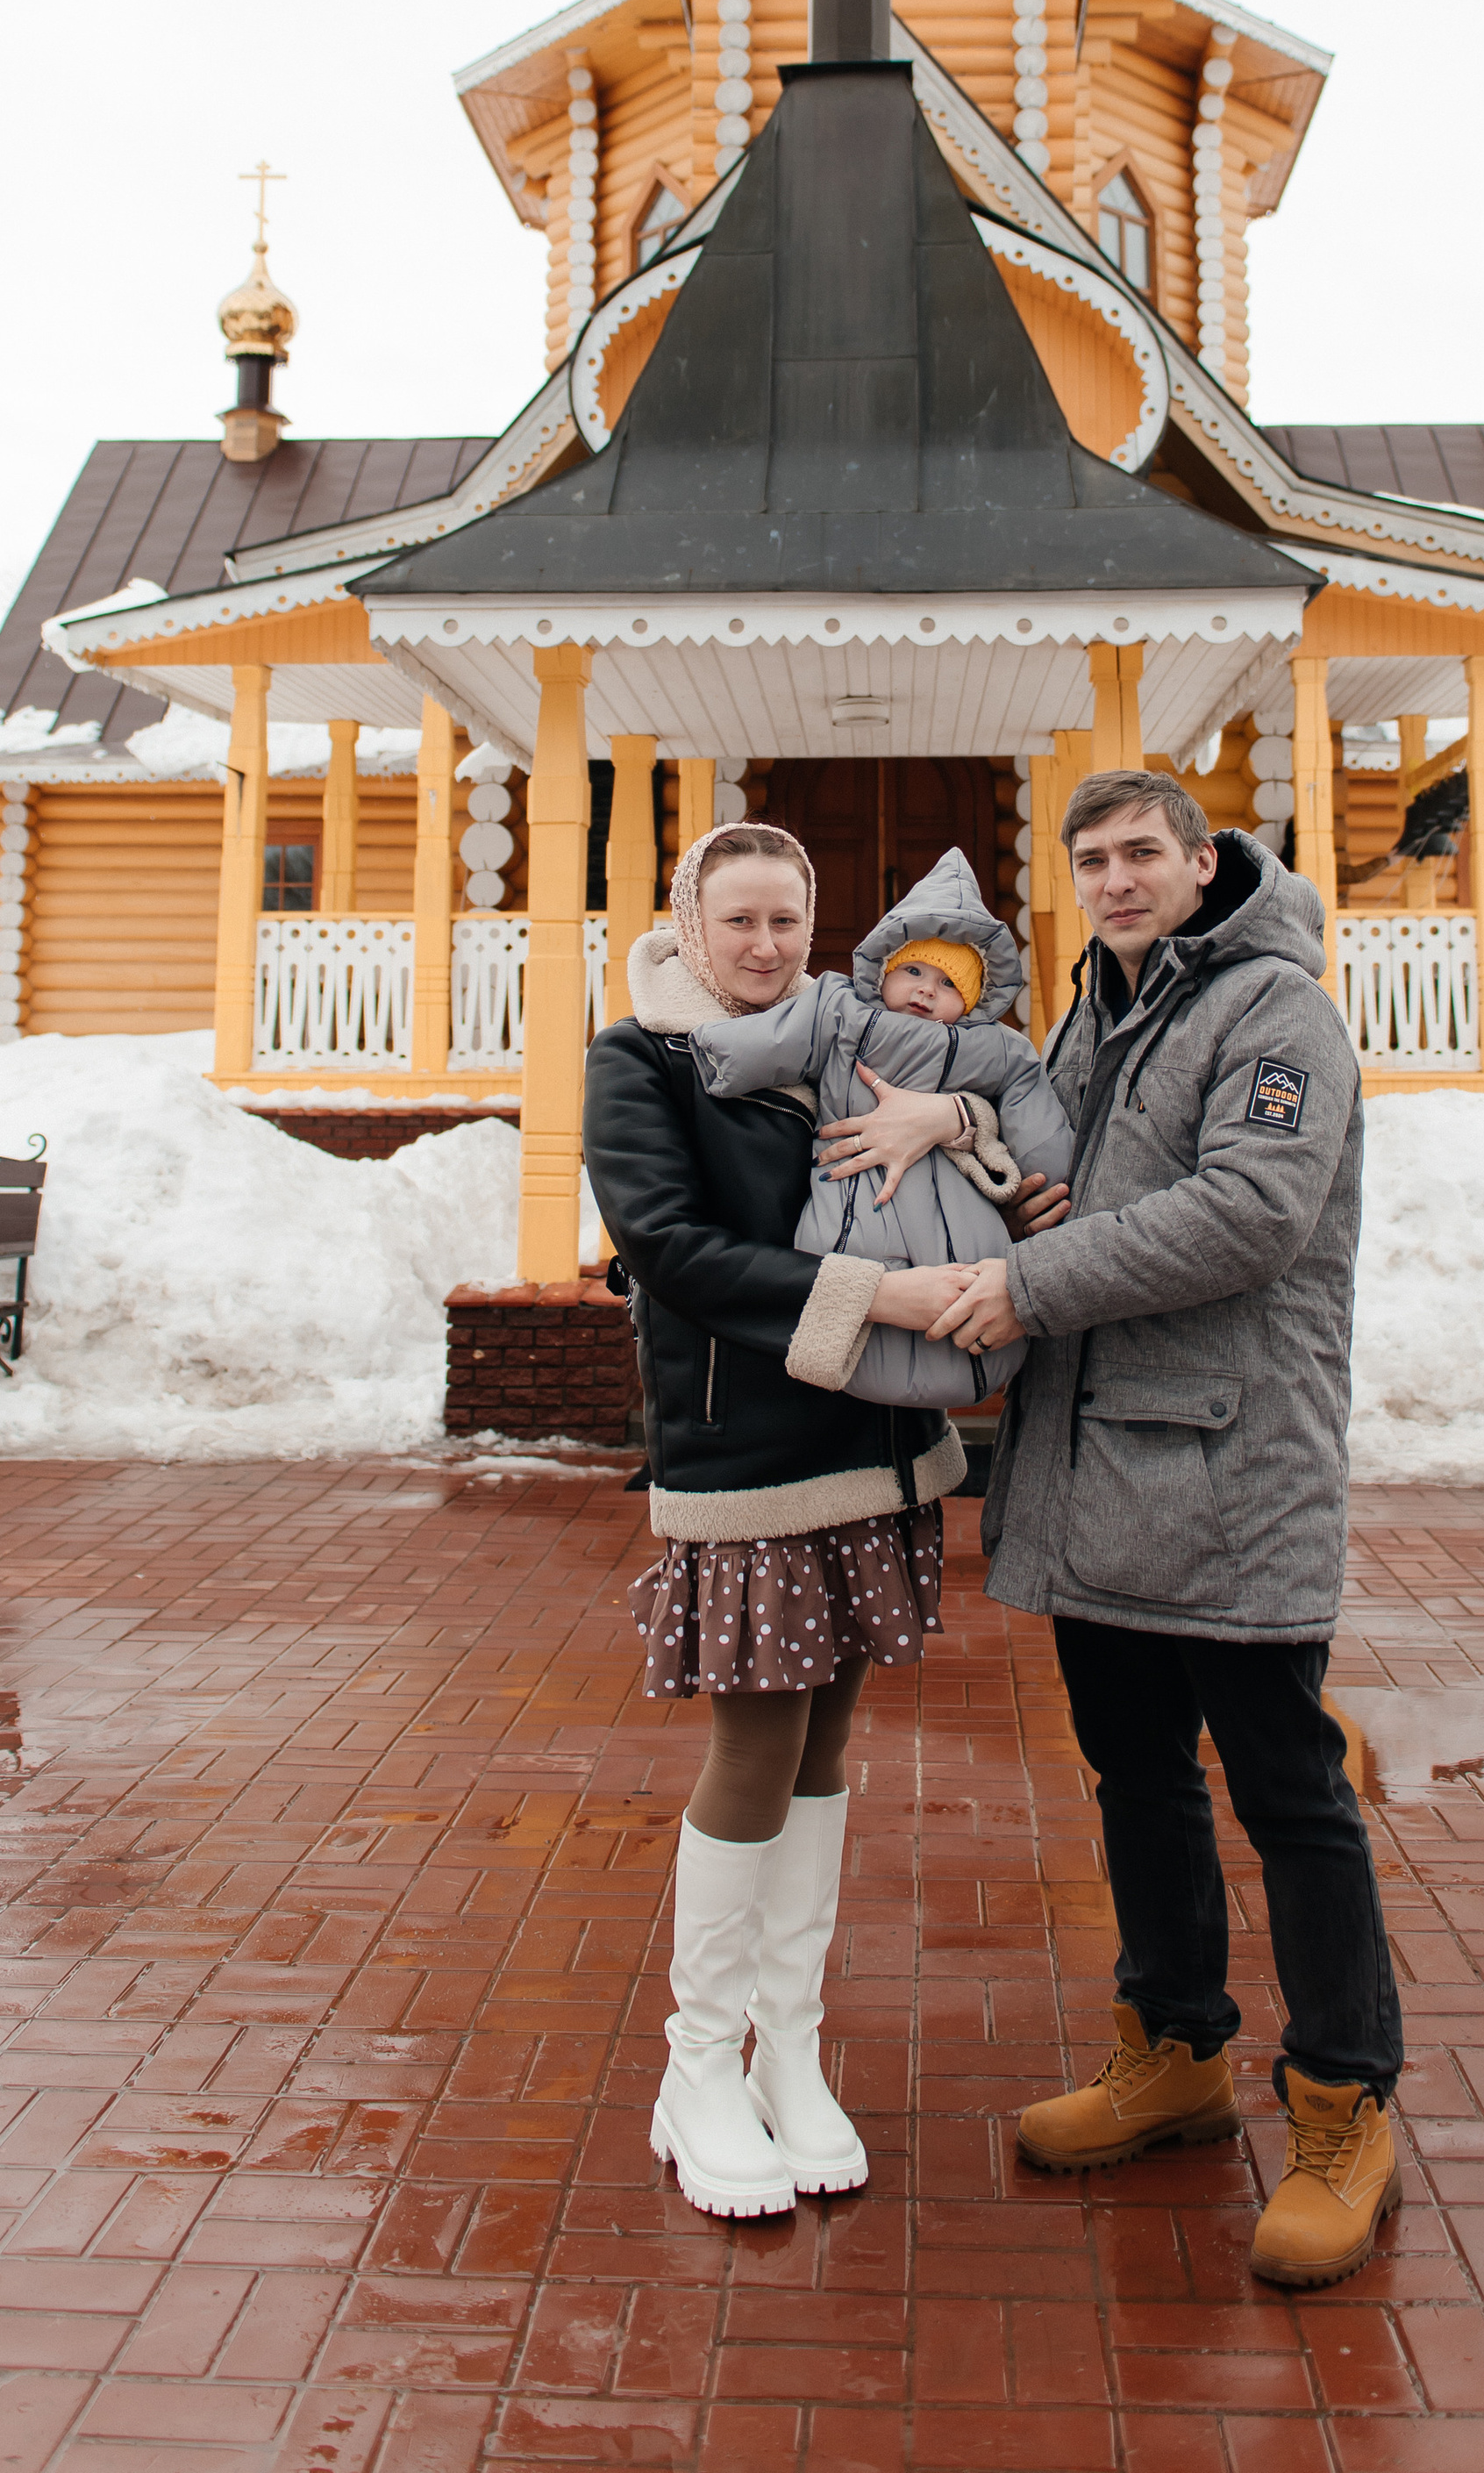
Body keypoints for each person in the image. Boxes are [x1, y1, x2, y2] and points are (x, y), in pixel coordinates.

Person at [927, 767, 1403, 2291]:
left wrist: (1034, 1282)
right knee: (1135, 1773)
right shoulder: (1094, 1010)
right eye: (1094, 857)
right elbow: (1083, 1187)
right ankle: (1177, 2051)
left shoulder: (1276, 1014)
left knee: (1289, 1790)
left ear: (1205, 865)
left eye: (1144, 852)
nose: (1118, 878)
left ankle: (1343, 2104)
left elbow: (1251, 1213)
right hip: (1100, 1461)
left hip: (1235, 1460)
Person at [582, 818, 999, 2222]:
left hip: (871, 1445)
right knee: (757, 1743)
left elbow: (975, 1129)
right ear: (688, 924)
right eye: (738, 921)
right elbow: (670, 1246)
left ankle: (790, 2050)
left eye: (786, 923)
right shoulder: (644, 1056)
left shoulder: (847, 1034)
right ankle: (696, 2066)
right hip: (747, 1450)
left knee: (828, 1741)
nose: (765, 948)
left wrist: (951, 1116)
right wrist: (872, 1300)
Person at [687, 844, 1072, 1409]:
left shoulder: (994, 1047)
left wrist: (986, 1134)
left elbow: (1031, 1110)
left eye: (947, 984)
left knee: (964, 1278)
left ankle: (973, 1371)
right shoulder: (840, 1011)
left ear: (971, 1000)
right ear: (885, 966)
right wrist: (716, 1054)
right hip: (852, 1190)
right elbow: (777, 1040)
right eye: (913, 970)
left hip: (950, 1200)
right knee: (845, 1258)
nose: (923, 989)